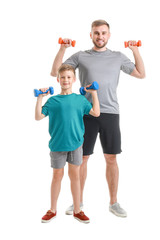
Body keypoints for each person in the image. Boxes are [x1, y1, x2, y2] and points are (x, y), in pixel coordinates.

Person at [50, 20, 145, 218]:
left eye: (103, 33)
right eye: (96, 33)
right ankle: (79, 202)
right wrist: (62, 49)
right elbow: (55, 73)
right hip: (85, 113)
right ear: (91, 35)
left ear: (109, 35)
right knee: (82, 159)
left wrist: (135, 50)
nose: (100, 36)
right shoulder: (81, 56)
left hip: (110, 112)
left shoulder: (118, 57)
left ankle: (113, 202)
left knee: (111, 157)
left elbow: (141, 74)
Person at [35, 64, 100, 223]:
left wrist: (94, 94)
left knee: (75, 177)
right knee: (57, 176)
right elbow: (38, 117)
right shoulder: (52, 100)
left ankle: (77, 210)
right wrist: (40, 98)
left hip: (76, 144)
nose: (66, 80)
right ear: (58, 79)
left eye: (69, 77)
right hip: (57, 145)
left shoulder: (80, 99)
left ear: (74, 80)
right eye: (63, 77)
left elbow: (96, 113)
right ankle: (52, 209)